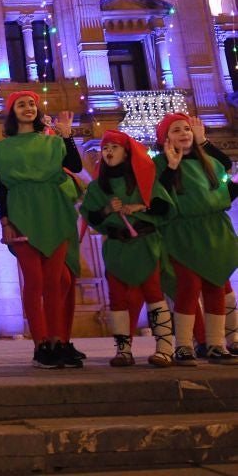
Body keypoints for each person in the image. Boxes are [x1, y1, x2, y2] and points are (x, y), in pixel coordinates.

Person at [0, 91, 83, 369]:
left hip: (54, 212)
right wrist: (5, 222)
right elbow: (1, 189)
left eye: (32, 104)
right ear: (12, 113)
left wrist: (67, 135)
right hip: (22, 212)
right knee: (34, 280)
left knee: (55, 281)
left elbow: (75, 166)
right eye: (21, 104)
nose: (28, 108)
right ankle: (40, 344)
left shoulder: (53, 142)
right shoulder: (2, 149)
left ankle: (57, 342)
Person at [80, 130, 175, 367]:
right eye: (105, 148)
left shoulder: (144, 179)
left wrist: (139, 207)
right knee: (118, 297)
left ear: (126, 152)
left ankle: (164, 348)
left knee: (153, 293)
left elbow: (163, 207)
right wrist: (106, 211)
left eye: (114, 147)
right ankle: (123, 350)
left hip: (144, 243)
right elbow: (91, 216)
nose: (109, 152)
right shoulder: (97, 188)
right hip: (116, 247)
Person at [153, 113, 238, 365]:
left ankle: (214, 344)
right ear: (165, 139)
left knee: (215, 286)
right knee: (187, 287)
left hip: (215, 231)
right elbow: (159, 197)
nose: (184, 133)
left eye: (187, 129)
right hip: (182, 233)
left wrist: (204, 142)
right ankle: (184, 345)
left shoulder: (209, 162)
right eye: (176, 130)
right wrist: (171, 166)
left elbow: (225, 169)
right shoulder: (159, 164)